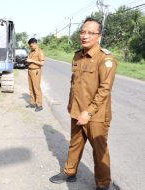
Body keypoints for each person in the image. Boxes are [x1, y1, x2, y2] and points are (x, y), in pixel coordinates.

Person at [49, 18, 117, 190]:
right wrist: (71, 104)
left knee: (99, 151)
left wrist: (89, 112)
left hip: (96, 115)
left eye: (90, 33)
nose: (85, 36)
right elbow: (75, 83)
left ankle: (103, 184)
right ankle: (70, 172)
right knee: (75, 143)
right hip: (77, 110)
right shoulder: (77, 55)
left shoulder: (105, 59)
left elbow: (104, 89)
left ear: (99, 36)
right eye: (83, 31)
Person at [25, 38, 45, 112]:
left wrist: (31, 60)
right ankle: (33, 103)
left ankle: (39, 105)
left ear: (35, 44)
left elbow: (42, 63)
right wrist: (27, 61)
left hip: (36, 71)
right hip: (30, 70)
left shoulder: (40, 52)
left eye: (31, 45)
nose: (31, 47)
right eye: (30, 46)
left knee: (36, 88)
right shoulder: (31, 51)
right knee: (31, 88)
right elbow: (29, 60)